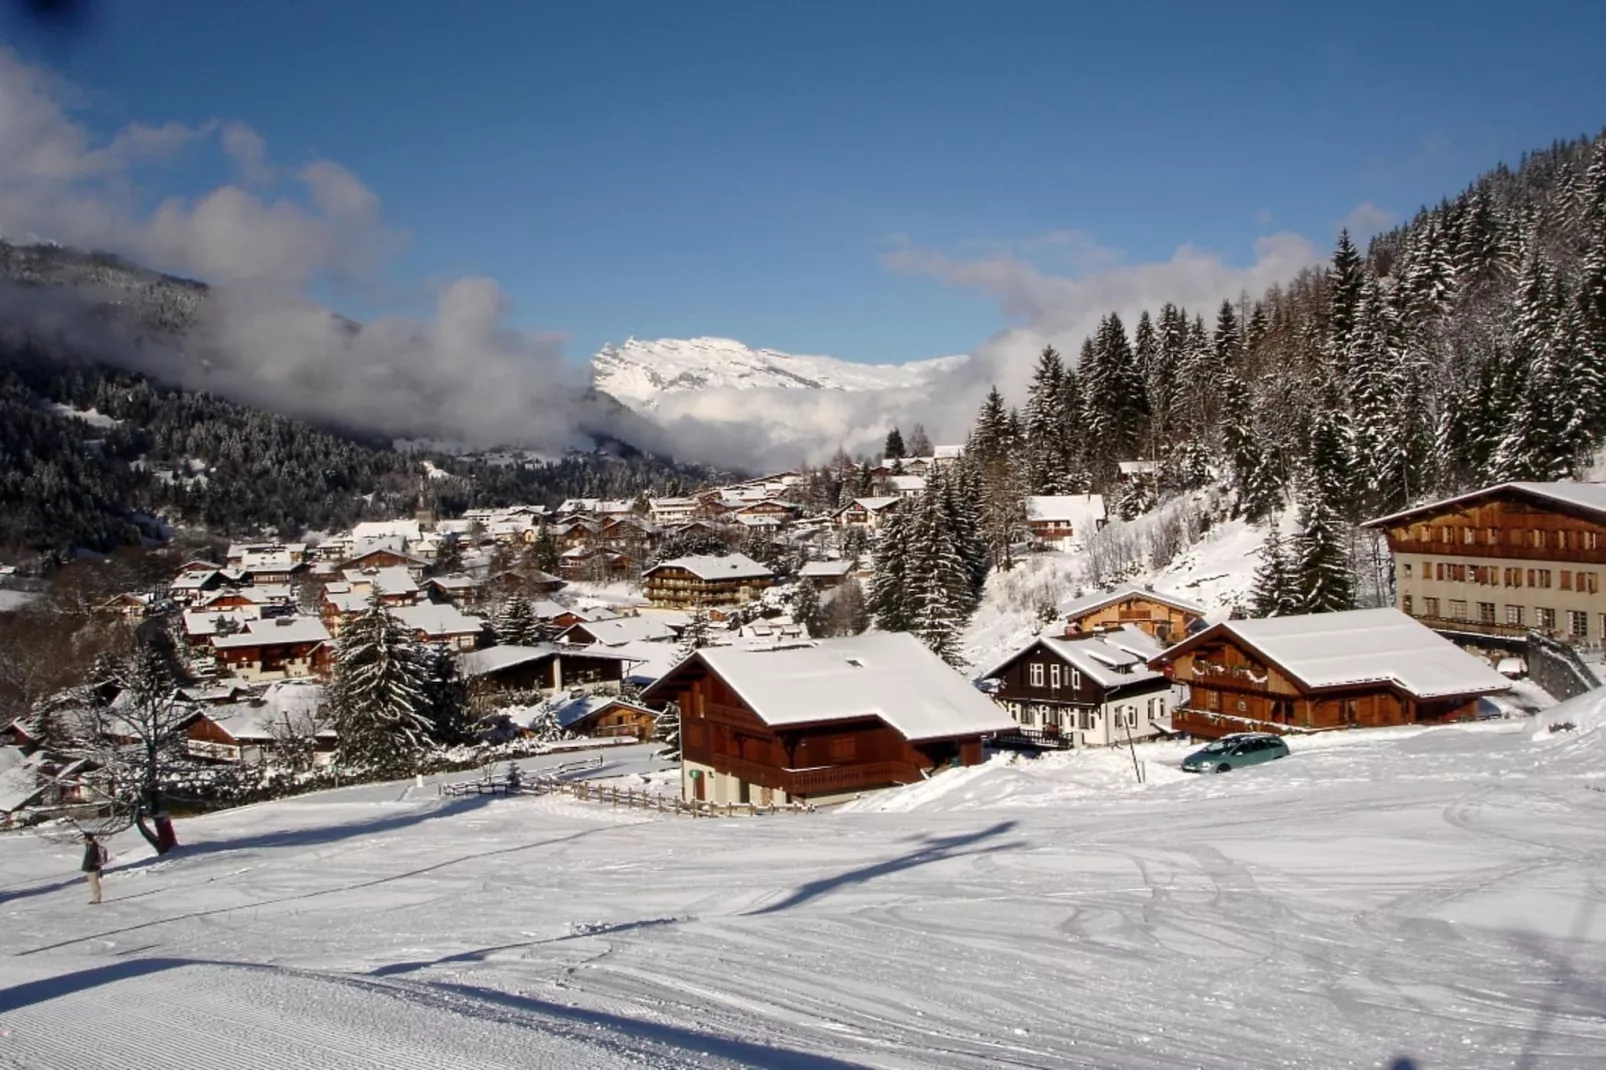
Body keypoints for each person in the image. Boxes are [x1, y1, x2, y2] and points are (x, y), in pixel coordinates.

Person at [81, 832, 107, 905]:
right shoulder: (90, 846)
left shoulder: (93, 847)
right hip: (90, 868)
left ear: (88, 839)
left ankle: (97, 899)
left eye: (85, 838)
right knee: (93, 884)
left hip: (93, 869)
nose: (83, 840)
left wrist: (88, 866)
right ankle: (95, 899)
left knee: (95, 884)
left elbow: (91, 859)